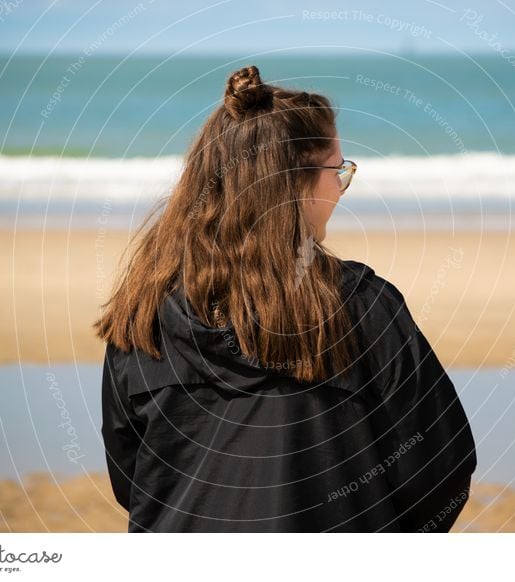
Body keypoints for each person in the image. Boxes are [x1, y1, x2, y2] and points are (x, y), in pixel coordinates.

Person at [95, 65, 476, 532]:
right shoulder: (362, 307)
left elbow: (133, 478)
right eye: (337, 170)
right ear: (295, 183)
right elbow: (439, 470)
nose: (340, 185)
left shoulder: (145, 314)